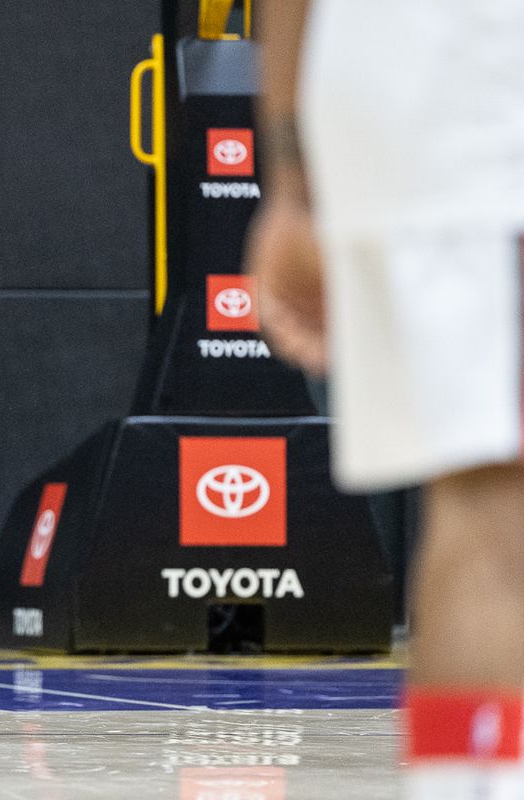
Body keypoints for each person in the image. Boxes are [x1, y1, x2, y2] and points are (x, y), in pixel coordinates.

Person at [245, 3, 524, 797]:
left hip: (395, 110)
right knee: (498, 514)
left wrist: (294, 182)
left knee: (479, 505)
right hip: (486, 101)